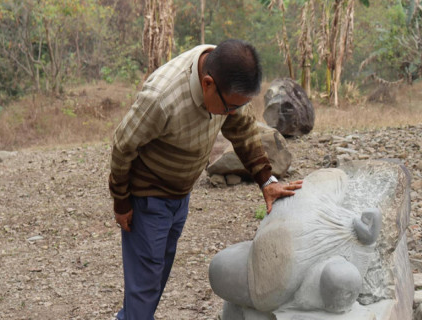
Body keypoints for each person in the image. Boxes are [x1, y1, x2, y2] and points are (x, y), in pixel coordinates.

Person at [108, 39, 302, 320]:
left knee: (156, 270)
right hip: (148, 196)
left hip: (179, 194)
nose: (234, 112)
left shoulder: (226, 79)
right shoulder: (161, 98)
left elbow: (243, 130)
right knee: (146, 281)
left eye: (241, 105)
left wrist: (266, 179)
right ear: (208, 84)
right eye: (231, 106)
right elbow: (123, 147)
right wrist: (122, 202)